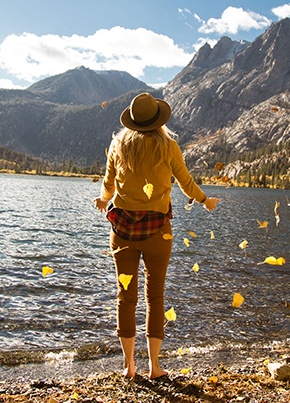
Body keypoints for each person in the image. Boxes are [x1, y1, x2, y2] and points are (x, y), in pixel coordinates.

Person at [94, 92, 219, 379]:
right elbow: (186, 182)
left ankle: (128, 367)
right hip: (158, 233)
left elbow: (108, 183)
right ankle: (155, 367)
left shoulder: (118, 144)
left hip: (123, 231)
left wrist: (103, 201)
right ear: (158, 119)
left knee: (125, 297)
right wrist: (204, 200)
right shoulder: (169, 146)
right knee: (155, 297)